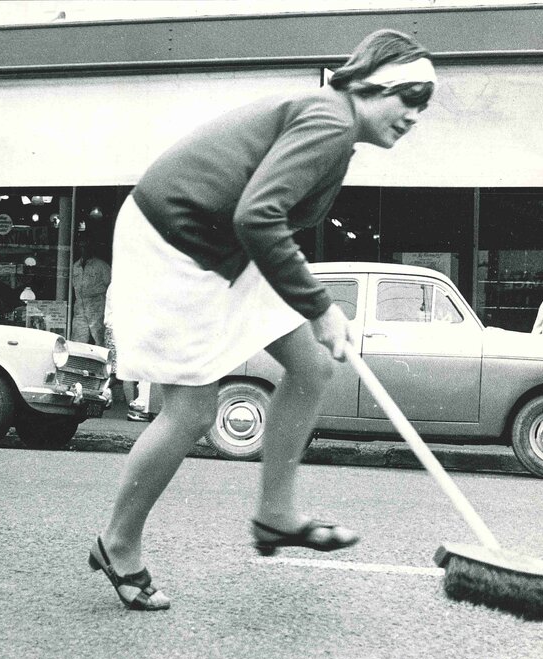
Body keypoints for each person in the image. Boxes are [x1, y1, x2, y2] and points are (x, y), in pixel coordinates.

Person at [90, 29, 436, 610]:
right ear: (373, 86)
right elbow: (260, 216)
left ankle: (276, 516)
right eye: (409, 98)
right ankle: (117, 543)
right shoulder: (331, 122)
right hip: (176, 242)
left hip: (225, 246)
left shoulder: (334, 125)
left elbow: (258, 219)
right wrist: (320, 305)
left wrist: (314, 309)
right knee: (192, 409)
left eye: (423, 107)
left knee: (312, 365)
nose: (414, 116)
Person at [103, 284, 149, 422]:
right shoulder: (122, 286)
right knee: (125, 370)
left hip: (118, 329)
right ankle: (132, 408)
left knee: (119, 372)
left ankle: (100, 392)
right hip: (121, 330)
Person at [70, 237, 111, 345]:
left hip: (97, 307)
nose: (84, 250)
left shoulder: (101, 266)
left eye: (86, 247)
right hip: (80, 307)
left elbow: (110, 285)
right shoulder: (75, 266)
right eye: (81, 247)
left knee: (100, 338)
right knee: (78, 339)